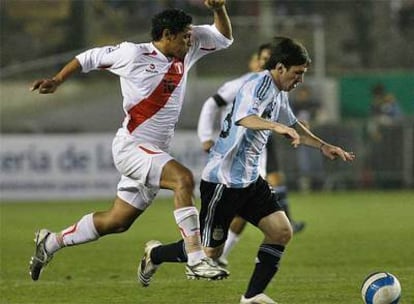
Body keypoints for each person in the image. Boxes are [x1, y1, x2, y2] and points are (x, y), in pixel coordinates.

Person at [138, 36, 355, 303]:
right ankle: (156, 254)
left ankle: (252, 297)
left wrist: (323, 146)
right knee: (209, 253)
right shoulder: (256, 86)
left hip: (251, 181)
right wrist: (276, 127)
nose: (300, 80)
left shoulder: (278, 92)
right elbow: (244, 117)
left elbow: (294, 124)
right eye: (297, 73)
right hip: (223, 181)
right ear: (280, 68)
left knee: (281, 231)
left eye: (303, 74)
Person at [28, 1, 233, 282]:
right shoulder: (132, 54)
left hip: (154, 151)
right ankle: (196, 259)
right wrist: (57, 79)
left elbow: (224, 37)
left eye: (190, 35)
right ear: (167, 34)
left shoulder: (188, 49)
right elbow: (87, 58)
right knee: (183, 179)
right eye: (184, 36)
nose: (190, 40)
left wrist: (219, 9)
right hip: (131, 146)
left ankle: (50, 242)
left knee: (117, 221)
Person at [196, 45, 304, 267]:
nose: (266, 63)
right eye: (263, 59)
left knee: (278, 227)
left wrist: (320, 143)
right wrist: (205, 136)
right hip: (230, 161)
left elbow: (287, 118)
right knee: (211, 244)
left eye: (269, 59)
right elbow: (218, 107)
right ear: (254, 62)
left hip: (256, 158)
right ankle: (199, 254)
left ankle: (247, 289)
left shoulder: (277, 89)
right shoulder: (243, 84)